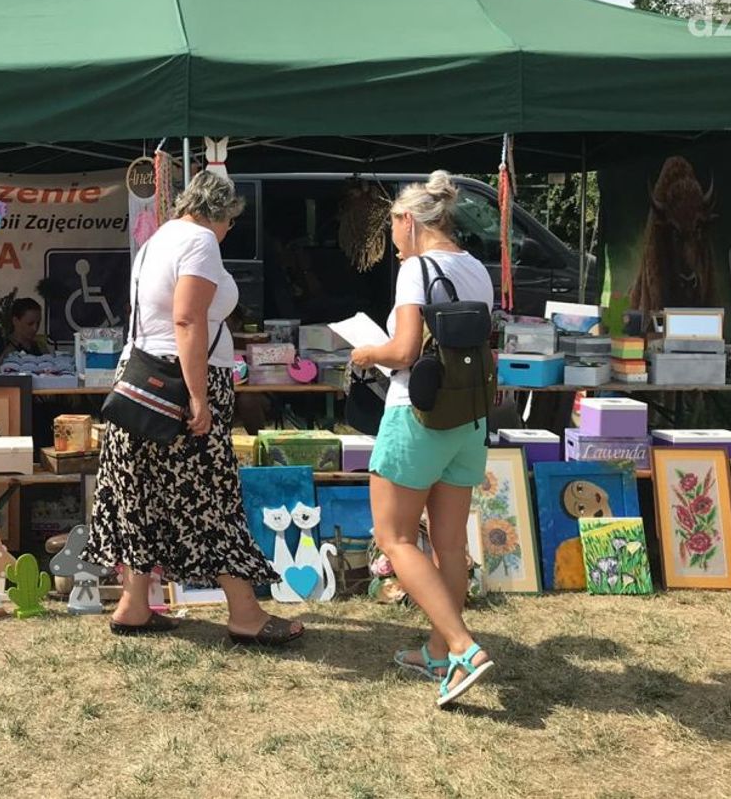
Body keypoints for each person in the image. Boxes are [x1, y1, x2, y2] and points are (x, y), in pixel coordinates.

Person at [84, 170, 302, 647]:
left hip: (138, 380)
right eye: (230, 222)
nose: (228, 231)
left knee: (138, 492)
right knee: (211, 496)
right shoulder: (200, 241)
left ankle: (134, 605)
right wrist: (199, 396)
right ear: (218, 213)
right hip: (181, 384)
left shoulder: (157, 240)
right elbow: (187, 319)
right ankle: (245, 613)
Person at [350, 170, 496, 707]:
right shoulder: (476, 268)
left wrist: (366, 352)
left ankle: (462, 647)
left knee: (395, 538)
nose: (392, 240)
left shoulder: (416, 269)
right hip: (468, 418)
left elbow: (404, 352)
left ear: (409, 220)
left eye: (392, 227)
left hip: (417, 415)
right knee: (450, 543)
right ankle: (438, 651)